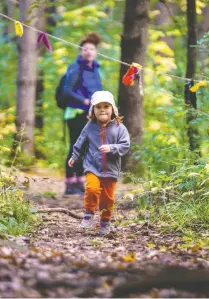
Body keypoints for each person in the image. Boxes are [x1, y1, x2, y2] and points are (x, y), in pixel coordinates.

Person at [68, 91, 130, 235]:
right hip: (92, 167)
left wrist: (112, 148)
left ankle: (105, 221)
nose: (102, 109)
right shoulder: (90, 126)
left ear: (112, 109)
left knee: (107, 199)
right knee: (91, 189)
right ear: (93, 110)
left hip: (111, 169)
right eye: (98, 107)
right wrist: (75, 156)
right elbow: (80, 141)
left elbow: (125, 145)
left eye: (106, 106)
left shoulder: (120, 128)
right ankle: (89, 213)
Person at [63, 32, 103, 195]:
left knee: (85, 147)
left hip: (89, 114)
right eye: (85, 49)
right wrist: (84, 101)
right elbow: (67, 91)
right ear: (80, 51)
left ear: (95, 52)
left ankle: (79, 181)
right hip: (75, 113)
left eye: (91, 49)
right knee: (75, 146)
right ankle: (69, 183)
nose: (88, 51)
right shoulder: (75, 68)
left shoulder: (95, 69)